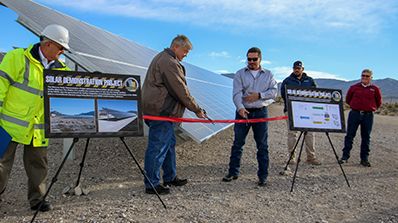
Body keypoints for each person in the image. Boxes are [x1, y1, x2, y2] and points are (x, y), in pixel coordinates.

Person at [0, 24, 71, 212]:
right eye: (60, 47)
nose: (63, 52)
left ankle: (37, 200)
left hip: (38, 128)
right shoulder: (16, 58)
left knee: (39, 165)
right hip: (8, 125)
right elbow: (0, 86)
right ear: (47, 44)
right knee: (1, 165)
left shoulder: (61, 70)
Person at [141, 35, 205, 195]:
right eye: (185, 51)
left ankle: (169, 177)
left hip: (158, 110)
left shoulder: (164, 58)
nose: (186, 55)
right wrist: (197, 109)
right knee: (158, 146)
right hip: (161, 112)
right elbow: (180, 90)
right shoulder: (168, 62)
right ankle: (152, 184)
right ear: (176, 46)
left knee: (168, 144)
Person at [222, 47, 277, 186]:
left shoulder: (268, 75)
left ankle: (263, 176)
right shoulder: (240, 74)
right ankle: (233, 172)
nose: (251, 62)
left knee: (262, 145)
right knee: (238, 143)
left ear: (260, 59)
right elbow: (236, 93)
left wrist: (259, 95)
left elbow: (274, 92)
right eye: (249, 59)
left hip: (261, 112)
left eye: (254, 59)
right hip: (243, 113)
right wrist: (240, 108)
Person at [338, 69, 382, 167]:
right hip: (355, 114)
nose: (364, 77)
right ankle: (345, 156)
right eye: (363, 75)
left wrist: (370, 108)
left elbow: (379, 102)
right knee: (350, 135)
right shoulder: (354, 87)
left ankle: (364, 159)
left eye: (367, 76)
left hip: (368, 115)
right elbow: (348, 99)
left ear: (371, 78)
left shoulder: (375, 89)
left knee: (366, 137)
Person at [280, 61, 321, 165]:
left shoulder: (310, 80)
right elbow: (284, 95)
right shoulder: (287, 81)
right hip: (291, 110)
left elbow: (315, 94)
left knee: (309, 133)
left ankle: (311, 157)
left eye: (298, 68)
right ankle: (291, 157)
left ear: (303, 69)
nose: (296, 70)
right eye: (295, 68)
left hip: (308, 111)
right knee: (292, 134)